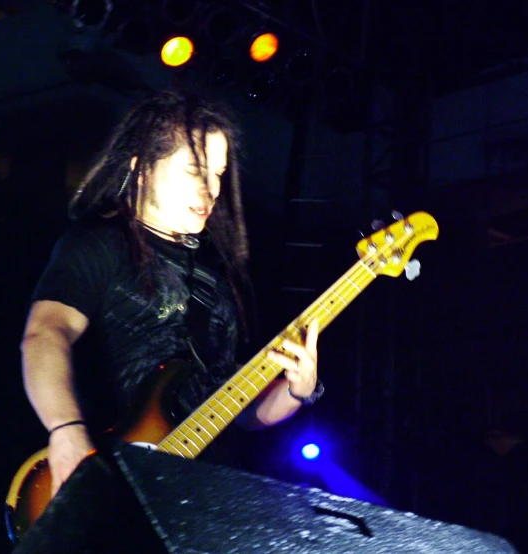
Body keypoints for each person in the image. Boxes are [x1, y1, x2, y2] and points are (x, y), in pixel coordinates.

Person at [20, 90, 323, 500]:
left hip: (210, 496)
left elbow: (241, 413)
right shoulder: (100, 246)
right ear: (142, 168)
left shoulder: (215, 277)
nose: (212, 188)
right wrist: (65, 429)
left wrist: (295, 391)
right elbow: (44, 335)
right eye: (195, 170)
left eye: (218, 173)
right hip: (119, 483)